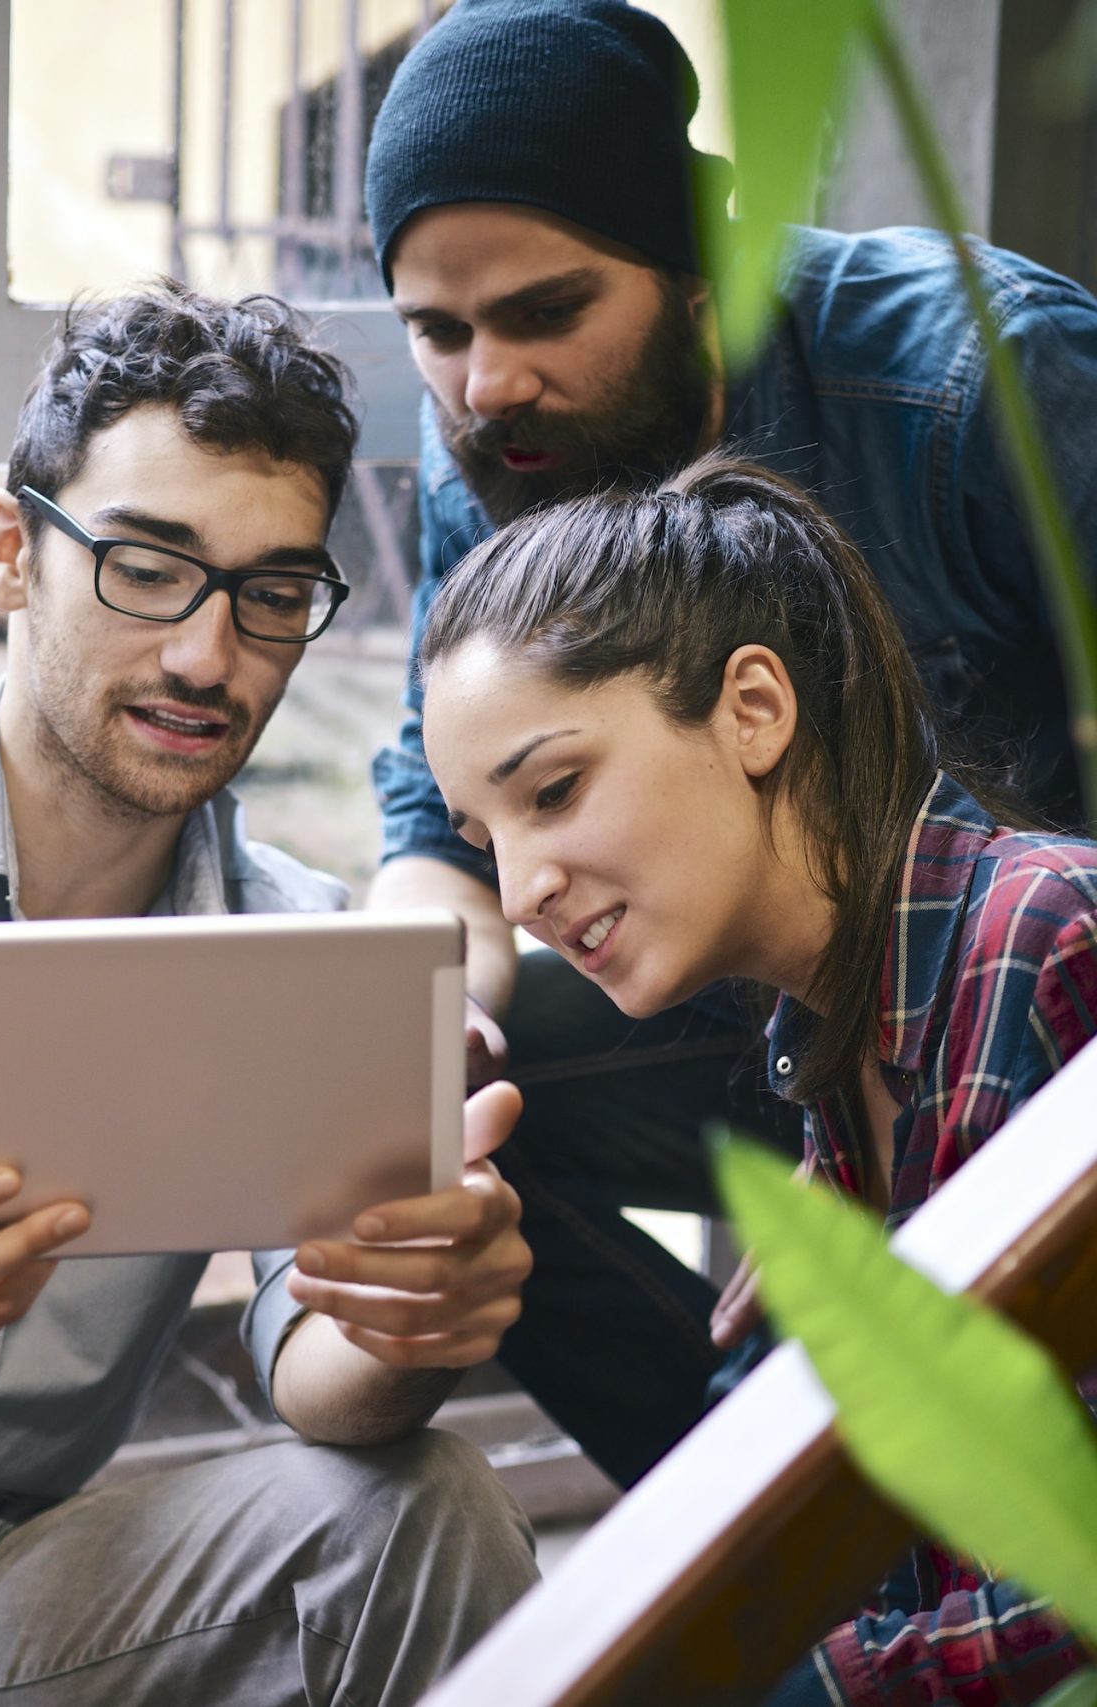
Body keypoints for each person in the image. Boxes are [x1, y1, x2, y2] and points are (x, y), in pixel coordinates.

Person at [361, 0, 1097, 1488]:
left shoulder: (985, 382)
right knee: (427, 1120)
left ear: (704, 274)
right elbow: (437, 829)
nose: (487, 386)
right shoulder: (511, 460)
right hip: (809, 1022)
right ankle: (761, 1531)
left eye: (547, 311)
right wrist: (422, 1031)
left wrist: (925, 1214)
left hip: (1053, 1011)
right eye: (438, 332)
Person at [0, 280, 538, 1707]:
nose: (211, 655)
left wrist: (410, 1318)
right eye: (147, 566)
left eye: (271, 593)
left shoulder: (298, 944)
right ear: (11, 554)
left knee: (421, 1507)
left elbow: (321, 1367)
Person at [418, 452, 1096, 1706]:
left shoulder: (1046, 942)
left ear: (751, 709)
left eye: (553, 791)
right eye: (485, 839)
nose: (520, 892)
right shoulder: (829, 1043)